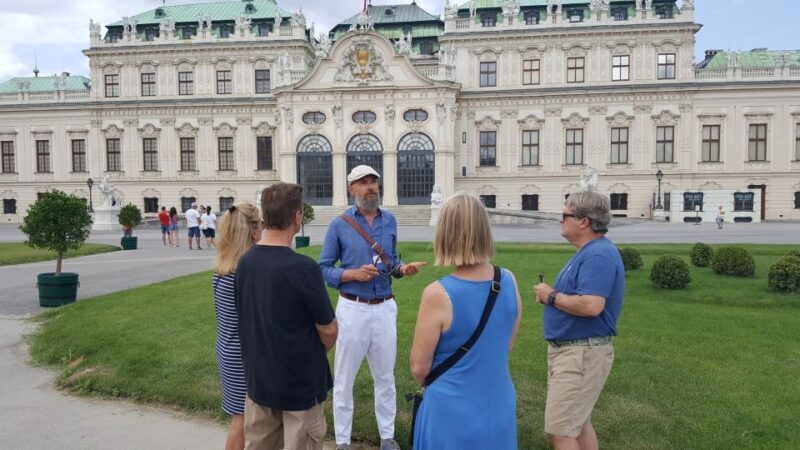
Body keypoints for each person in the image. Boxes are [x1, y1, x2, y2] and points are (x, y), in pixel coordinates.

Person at [319, 165, 427, 450]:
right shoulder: (339, 224)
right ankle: (342, 440)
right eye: (363, 182)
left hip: (384, 308)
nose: (370, 187)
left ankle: (387, 438)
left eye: (373, 182)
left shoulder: (389, 221)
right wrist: (352, 274)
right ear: (351, 188)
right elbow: (323, 269)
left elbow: (389, 263)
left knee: (385, 377)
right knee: (344, 378)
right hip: (352, 308)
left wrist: (404, 269)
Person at [409, 192, 522, 450]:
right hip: (498, 403)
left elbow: (419, 368)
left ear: (445, 234)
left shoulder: (437, 294)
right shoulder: (509, 280)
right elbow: (505, 345)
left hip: (450, 412)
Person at [236, 183, 338, 450]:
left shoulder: (245, 262)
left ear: (265, 218)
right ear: (297, 217)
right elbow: (328, 330)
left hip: (259, 380)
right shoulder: (303, 268)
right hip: (300, 386)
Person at [533, 191, 625, 450]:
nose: (560, 220)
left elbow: (591, 305)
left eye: (565, 215)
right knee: (578, 423)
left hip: (581, 354)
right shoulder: (589, 252)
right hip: (575, 351)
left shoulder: (598, 255)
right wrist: (553, 298)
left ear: (583, 221)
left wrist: (551, 296)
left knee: (560, 430)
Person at [212, 202, 263, 450]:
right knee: (243, 422)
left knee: (241, 420)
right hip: (242, 354)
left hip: (227, 347)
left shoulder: (224, 266)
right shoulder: (245, 271)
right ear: (254, 231)